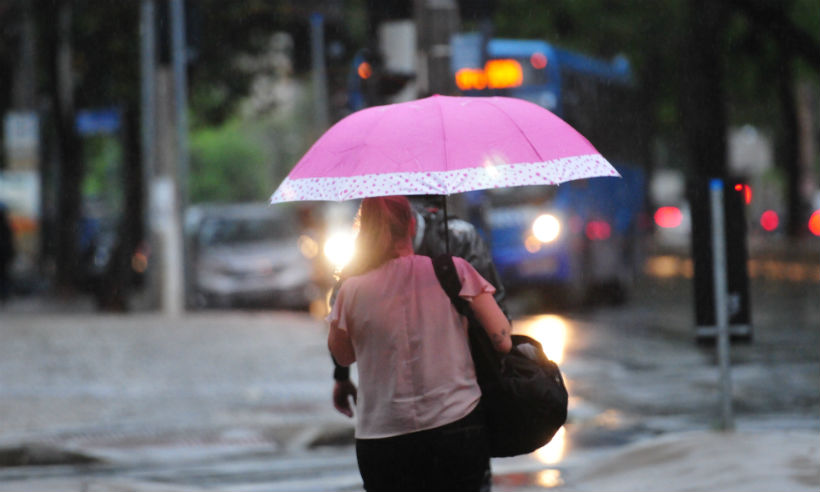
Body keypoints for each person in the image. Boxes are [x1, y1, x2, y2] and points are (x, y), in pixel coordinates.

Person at [327, 196, 511, 492]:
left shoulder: (350, 290)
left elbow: (343, 355)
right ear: (412, 225)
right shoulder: (454, 271)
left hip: (383, 437)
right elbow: (502, 340)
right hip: (457, 424)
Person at [0, 203, 14, 302]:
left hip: (3, 254)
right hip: (4, 255)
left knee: (3, 276)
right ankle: (4, 294)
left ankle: (4, 294)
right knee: (4, 275)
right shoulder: (5, 225)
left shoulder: (5, 226)